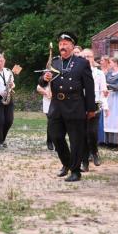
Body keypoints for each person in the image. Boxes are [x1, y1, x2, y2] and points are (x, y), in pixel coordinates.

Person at [39, 32, 95, 182]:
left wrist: (91, 108)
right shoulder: (54, 62)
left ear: (72, 46)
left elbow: (89, 87)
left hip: (75, 105)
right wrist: (44, 78)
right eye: (60, 44)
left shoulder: (81, 63)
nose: (62, 46)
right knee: (56, 137)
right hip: (56, 106)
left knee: (76, 140)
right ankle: (67, 163)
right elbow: (42, 82)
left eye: (65, 44)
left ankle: (75, 171)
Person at [80, 48, 107, 171]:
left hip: (95, 104)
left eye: (89, 56)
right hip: (79, 105)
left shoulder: (99, 73)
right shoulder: (77, 72)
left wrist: (104, 106)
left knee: (92, 132)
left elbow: (104, 91)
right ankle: (84, 161)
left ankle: (94, 152)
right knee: (82, 134)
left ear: (92, 58)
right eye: (84, 56)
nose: (86, 59)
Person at [97, 55, 110, 146]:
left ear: (106, 61)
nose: (100, 62)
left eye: (102, 60)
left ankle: (106, 139)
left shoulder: (109, 72)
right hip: (99, 95)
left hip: (107, 95)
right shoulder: (98, 71)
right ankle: (99, 139)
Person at [36, 83, 53, 150]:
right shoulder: (46, 76)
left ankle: (58, 142)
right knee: (51, 122)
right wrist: (46, 93)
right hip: (48, 102)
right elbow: (38, 87)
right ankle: (49, 141)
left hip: (60, 102)